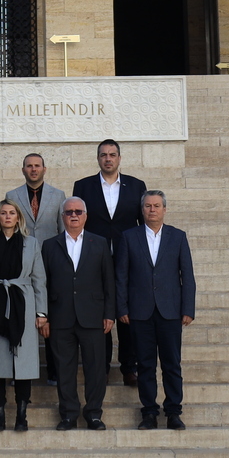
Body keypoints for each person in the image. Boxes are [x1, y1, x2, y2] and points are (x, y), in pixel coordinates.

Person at [117, 189, 196, 431]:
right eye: (148, 206)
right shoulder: (129, 237)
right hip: (140, 312)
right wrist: (122, 307)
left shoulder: (178, 237)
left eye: (157, 206)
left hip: (170, 311)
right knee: (146, 365)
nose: (152, 210)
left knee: (172, 364)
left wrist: (188, 308)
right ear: (142, 210)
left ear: (164, 209)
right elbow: (121, 275)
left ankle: (173, 411)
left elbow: (187, 276)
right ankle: (149, 412)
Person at [72, 138, 146, 386]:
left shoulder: (137, 186)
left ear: (119, 158)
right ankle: (100, 367)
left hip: (128, 259)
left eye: (112, 154)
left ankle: (129, 366)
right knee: (97, 314)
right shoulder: (83, 187)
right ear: (98, 159)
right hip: (94, 258)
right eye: (103, 154)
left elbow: (142, 225)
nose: (108, 158)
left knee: (127, 314)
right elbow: (78, 221)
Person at [43, 196, 116, 430]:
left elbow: (109, 282)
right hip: (60, 316)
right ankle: (68, 414)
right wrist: (43, 315)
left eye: (78, 211)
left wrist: (109, 313)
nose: (73, 215)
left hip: (93, 316)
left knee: (95, 369)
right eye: (68, 212)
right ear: (62, 217)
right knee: (65, 369)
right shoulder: (49, 245)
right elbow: (43, 283)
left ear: (85, 215)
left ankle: (94, 414)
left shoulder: (100, 243)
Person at [0, 197, 46, 432]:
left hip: (23, 303)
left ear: (18, 218)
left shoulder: (31, 243)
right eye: (3, 213)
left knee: (23, 363)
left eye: (11, 213)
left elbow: (39, 280)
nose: (7, 216)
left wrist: (41, 312)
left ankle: (22, 414)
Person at [6, 152, 67, 243]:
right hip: (22, 250)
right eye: (29, 166)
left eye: (37, 166)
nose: (33, 169)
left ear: (44, 169)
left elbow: (63, 228)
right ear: (23, 170)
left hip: (50, 251)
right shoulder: (12, 196)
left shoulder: (58, 195)